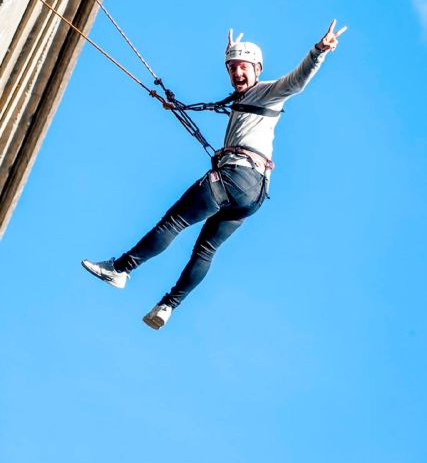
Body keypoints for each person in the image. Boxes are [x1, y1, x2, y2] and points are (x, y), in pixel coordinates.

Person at [82, 20, 347, 330]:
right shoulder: (243, 99)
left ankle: (121, 269)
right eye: (232, 68)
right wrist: (230, 53)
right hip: (254, 194)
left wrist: (319, 51)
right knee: (206, 249)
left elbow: (298, 80)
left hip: (237, 176)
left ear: (258, 69)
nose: (237, 73)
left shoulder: (269, 92)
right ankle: (168, 306)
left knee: (175, 221)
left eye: (243, 67)